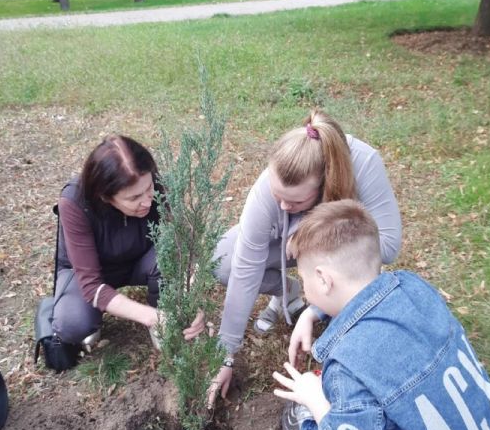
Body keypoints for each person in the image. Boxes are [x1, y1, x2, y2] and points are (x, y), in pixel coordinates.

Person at [255, 200, 490, 430]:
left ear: (324, 278)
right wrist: (315, 312)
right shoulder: (415, 288)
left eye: (304, 279)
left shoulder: (349, 368)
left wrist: (318, 403)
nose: (303, 287)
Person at [207, 109, 402, 406]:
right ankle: (290, 291)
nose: (284, 206)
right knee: (223, 261)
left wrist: (311, 235)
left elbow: (387, 246)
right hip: (284, 243)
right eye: (277, 196)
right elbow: (246, 266)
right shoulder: (270, 189)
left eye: (296, 201)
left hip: (339, 248)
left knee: (350, 277)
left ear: (326, 182)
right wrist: (226, 352)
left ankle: (327, 307)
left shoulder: (364, 163)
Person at [50, 135, 204, 369]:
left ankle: (165, 311)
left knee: (171, 252)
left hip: (140, 260)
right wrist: (152, 317)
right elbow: (91, 286)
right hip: (88, 273)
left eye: (149, 189)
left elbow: (186, 249)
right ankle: (153, 318)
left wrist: (193, 302)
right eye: (133, 198)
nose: (147, 202)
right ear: (105, 196)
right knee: (73, 324)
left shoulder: (154, 184)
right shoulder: (74, 203)